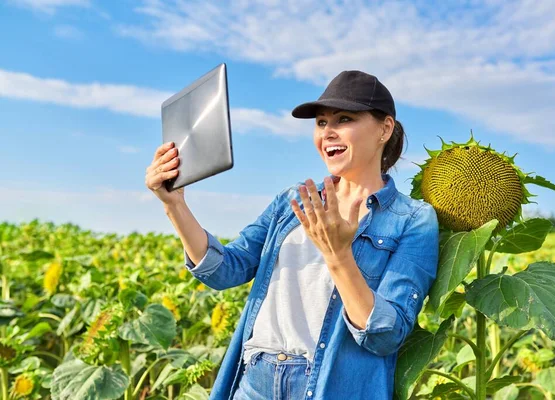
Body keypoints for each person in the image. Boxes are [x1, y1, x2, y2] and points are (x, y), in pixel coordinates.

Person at [145, 70, 439, 400]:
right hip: (256, 378)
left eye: (344, 119)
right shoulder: (293, 201)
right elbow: (227, 269)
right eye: (322, 123)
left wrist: (338, 255)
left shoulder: (413, 220)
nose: (328, 132)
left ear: (384, 129)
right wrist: (174, 205)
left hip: (328, 386)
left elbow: (386, 335)